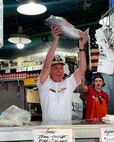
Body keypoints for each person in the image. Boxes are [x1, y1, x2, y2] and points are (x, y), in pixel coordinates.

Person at [37, 25, 88, 121]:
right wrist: (55, 41)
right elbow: (46, 66)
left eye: (61, 67)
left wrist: (81, 48)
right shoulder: (44, 84)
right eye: (55, 68)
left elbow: (82, 69)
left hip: (65, 133)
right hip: (47, 133)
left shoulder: (68, 83)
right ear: (50, 71)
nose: (59, 70)